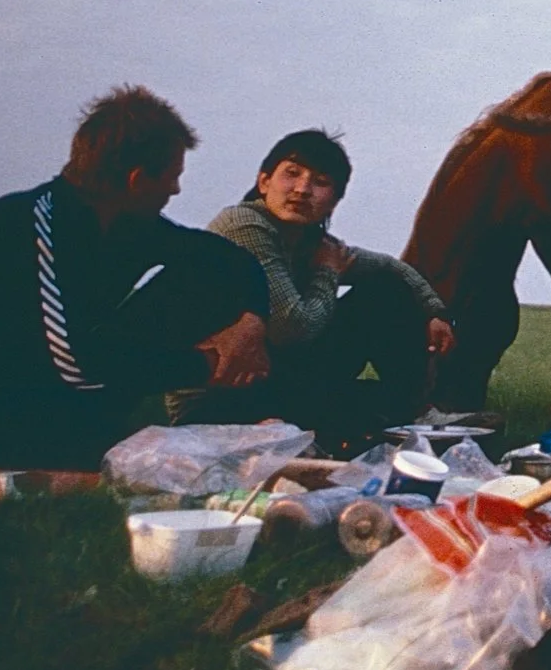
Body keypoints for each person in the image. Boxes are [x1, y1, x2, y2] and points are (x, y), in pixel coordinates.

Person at [0, 86, 272, 472]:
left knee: (205, 274)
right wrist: (207, 365)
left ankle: (110, 435)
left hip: (59, 396)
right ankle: (87, 445)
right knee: (162, 464)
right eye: (172, 176)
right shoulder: (29, 225)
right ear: (136, 180)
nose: (175, 189)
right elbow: (74, 362)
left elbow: (230, 259)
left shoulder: (128, 223)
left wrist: (251, 323)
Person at [173, 129, 455, 446]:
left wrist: (435, 311)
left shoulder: (313, 242)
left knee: (384, 290)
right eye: (291, 174)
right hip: (217, 398)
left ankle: (412, 413)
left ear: (334, 202)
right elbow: (292, 327)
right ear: (264, 182)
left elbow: (393, 268)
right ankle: (381, 421)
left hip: (277, 379)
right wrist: (326, 272)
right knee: (361, 408)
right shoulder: (244, 224)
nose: (303, 190)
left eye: (320, 182)